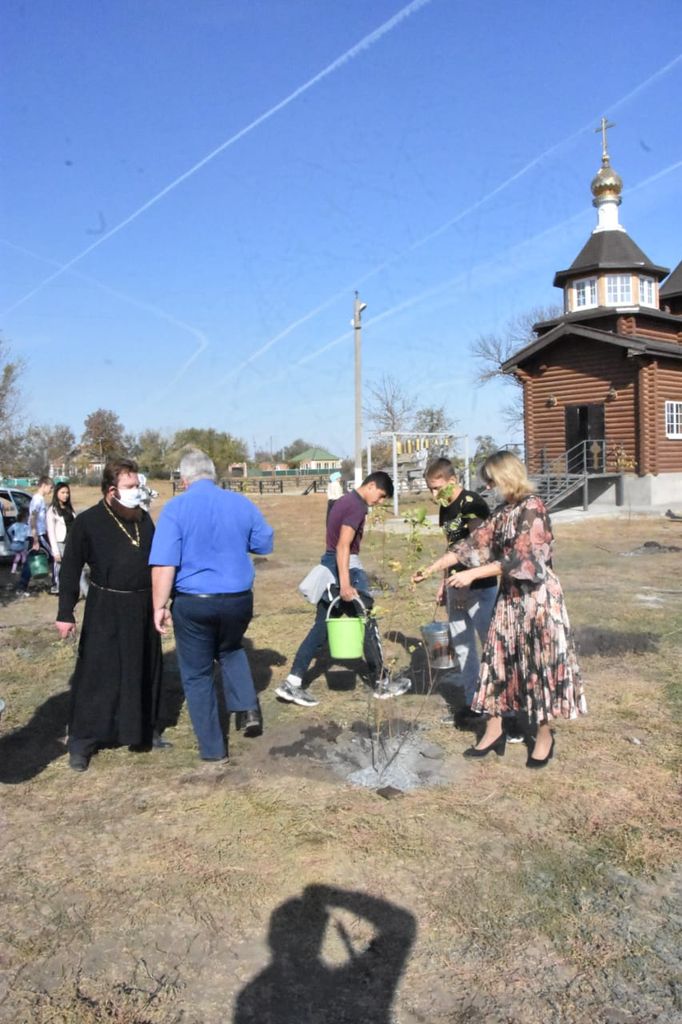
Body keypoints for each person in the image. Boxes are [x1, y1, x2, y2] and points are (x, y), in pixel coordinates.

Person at [414, 451, 586, 767]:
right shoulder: (503, 511)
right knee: (496, 662)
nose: (489, 488)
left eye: (492, 481)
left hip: (536, 600)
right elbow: (472, 545)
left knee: (536, 666)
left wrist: (472, 575)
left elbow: (524, 561)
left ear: (507, 477)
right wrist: (431, 569)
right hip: (509, 599)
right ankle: (494, 731)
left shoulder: (533, 508)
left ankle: (544, 735)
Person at [149, 449, 274, 763]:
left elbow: (164, 564)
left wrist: (159, 605)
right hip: (237, 598)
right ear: (213, 475)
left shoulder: (175, 509)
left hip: (194, 602)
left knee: (197, 674)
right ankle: (247, 707)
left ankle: (213, 749)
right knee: (230, 648)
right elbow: (264, 543)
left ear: (184, 479)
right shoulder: (240, 503)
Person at [55, 458, 163, 772]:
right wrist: (65, 612)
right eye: (130, 486)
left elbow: (158, 561)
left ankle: (143, 730)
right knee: (97, 674)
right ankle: (82, 742)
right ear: (112, 490)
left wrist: (162, 603)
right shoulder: (88, 522)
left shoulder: (143, 519)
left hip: (142, 605)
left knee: (143, 668)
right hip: (106, 605)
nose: (137, 491)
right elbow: (70, 568)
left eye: (137, 485)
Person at [275, 471, 411, 707]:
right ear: (370, 486)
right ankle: (382, 682)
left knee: (322, 627)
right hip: (345, 568)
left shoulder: (343, 501)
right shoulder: (357, 507)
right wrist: (346, 583)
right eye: (380, 496)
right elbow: (343, 546)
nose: (379, 502)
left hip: (331, 564)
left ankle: (292, 682)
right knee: (367, 621)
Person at [422, 458, 497, 729]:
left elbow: (479, 548)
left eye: (437, 488)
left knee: (491, 647)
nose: (434, 495)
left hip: (480, 587)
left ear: (452, 481)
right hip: (456, 585)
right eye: (430, 489)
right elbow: (452, 547)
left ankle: (505, 711)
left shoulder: (472, 503)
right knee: (463, 647)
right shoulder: (446, 507)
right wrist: (444, 582)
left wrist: (466, 585)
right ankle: (473, 703)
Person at [17, 475, 53, 594]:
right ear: (44, 485)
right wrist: (36, 539)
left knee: (30, 560)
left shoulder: (38, 499)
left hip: (38, 534)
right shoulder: (38, 499)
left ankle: (22, 587)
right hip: (38, 535)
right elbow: (33, 519)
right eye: (50, 487)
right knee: (54, 556)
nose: (51, 490)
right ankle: (56, 583)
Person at [46, 481, 76, 595]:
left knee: (76, 568)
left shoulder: (69, 508)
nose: (65, 495)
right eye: (62, 492)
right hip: (60, 543)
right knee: (60, 569)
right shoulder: (52, 510)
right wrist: (55, 552)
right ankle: (60, 589)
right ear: (56, 493)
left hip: (72, 543)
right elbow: (51, 532)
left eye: (67, 493)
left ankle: (77, 590)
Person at [8, 508, 30, 574]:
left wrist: (12, 537)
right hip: (20, 543)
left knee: (18, 556)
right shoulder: (25, 526)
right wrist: (25, 537)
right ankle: (23, 569)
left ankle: (13, 570)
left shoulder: (14, 524)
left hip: (14, 543)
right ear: (23, 519)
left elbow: (9, 531)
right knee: (24, 556)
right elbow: (28, 534)